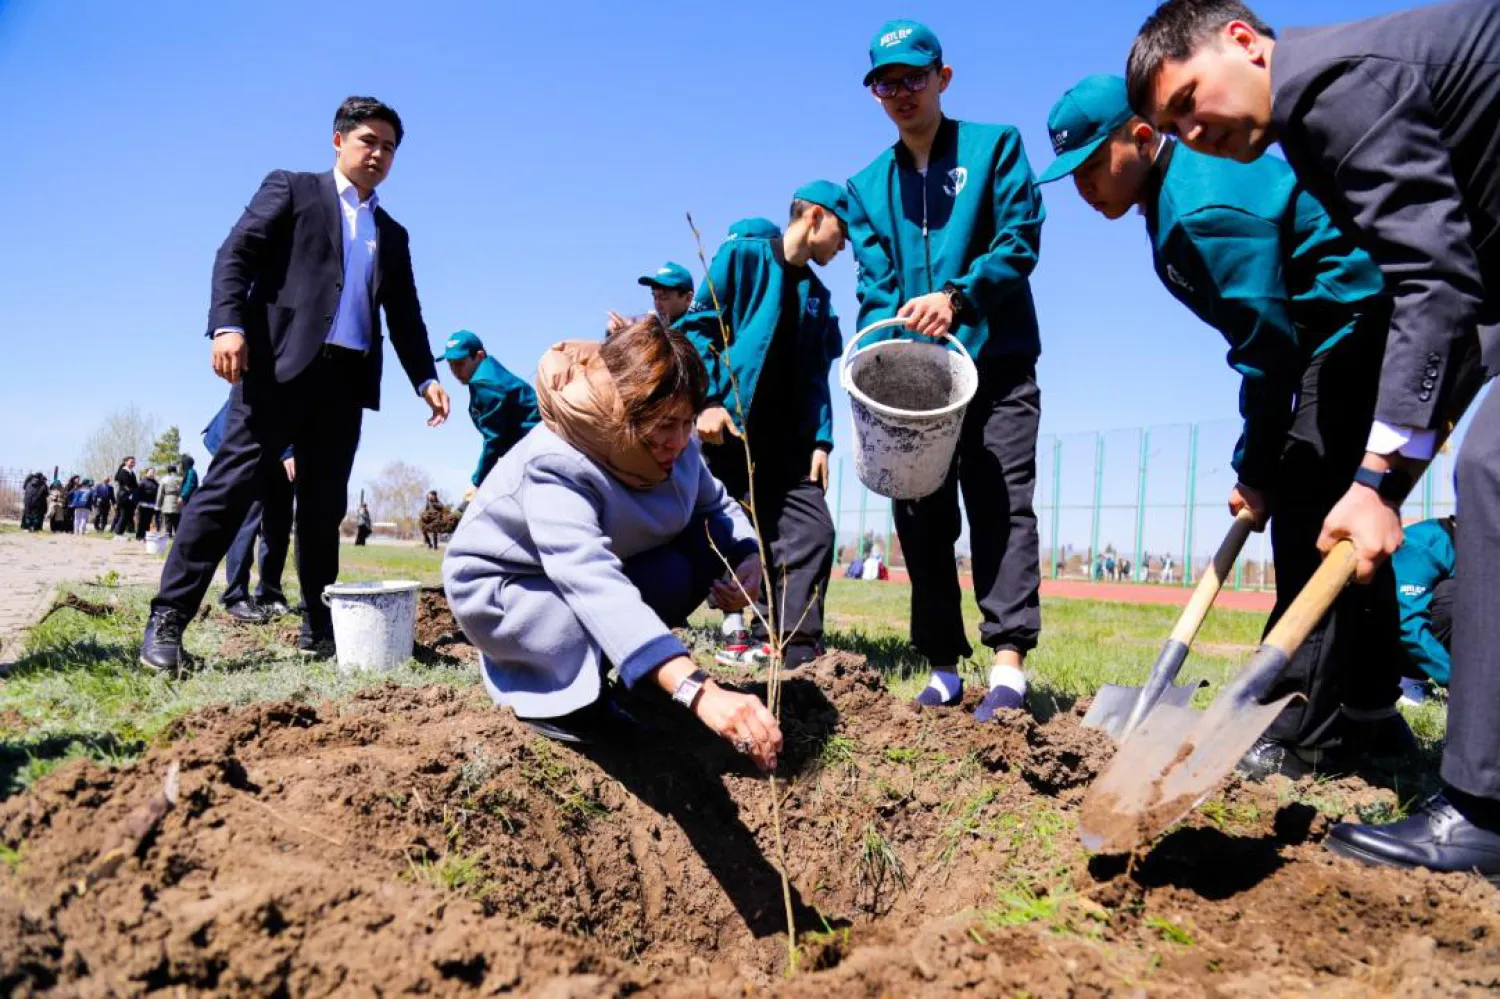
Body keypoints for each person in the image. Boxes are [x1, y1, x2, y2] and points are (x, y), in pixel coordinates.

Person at [1126, 0, 1500, 876]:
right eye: (1174, 121)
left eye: (1189, 98)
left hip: (1400, 321)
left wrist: (1372, 477)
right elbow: (1465, 291)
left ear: (1245, 43)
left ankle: (1481, 811)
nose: (1193, 131)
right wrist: (1397, 465)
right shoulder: (1304, 131)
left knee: (1490, 473)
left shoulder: (1328, 87)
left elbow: (1431, 280)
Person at [1039, 72, 1408, 777]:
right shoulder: (1171, 199)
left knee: (1313, 516)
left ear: (1142, 138)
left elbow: (1267, 353)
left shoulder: (1200, 210)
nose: (1085, 188)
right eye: (1072, 174)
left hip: (1354, 321)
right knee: (1343, 515)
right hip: (1329, 332)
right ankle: (1371, 714)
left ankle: (1295, 735)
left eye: (1093, 164)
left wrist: (1256, 467)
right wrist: (1260, 462)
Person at [139, 95, 451, 669]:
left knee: (322, 508)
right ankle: (167, 622)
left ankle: (319, 626)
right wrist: (227, 324)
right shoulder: (292, 189)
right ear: (339, 141)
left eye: (389, 147)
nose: (379, 154)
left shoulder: (392, 232)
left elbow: (404, 313)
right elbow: (234, 253)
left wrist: (425, 377)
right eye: (368, 142)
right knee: (229, 489)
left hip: (345, 383)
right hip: (277, 372)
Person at [443, 318, 782, 770]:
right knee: (587, 632)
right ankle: (561, 697)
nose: (679, 441)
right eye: (664, 424)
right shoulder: (560, 458)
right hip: (511, 589)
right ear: (625, 409)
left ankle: (635, 671)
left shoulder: (680, 450)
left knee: (701, 547)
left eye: (687, 421)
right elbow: (590, 578)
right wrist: (697, 690)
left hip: (587, 573)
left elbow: (719, 508)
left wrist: (747, 558)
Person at [846, 19, 1047, 720]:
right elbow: (872, 279)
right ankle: (941, 664)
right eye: (886, 82)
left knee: (1000, 501)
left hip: (996, 362)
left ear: (944, 78)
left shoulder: (996, 148)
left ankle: (1008, 664)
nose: (901, 92)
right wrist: (892, 331)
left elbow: (1020, 238)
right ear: (874, 94)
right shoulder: (866, 186)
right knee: (921, 512)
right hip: (917, 383)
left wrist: (959, 298)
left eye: (914, 77)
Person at [678, 181, 846, 671]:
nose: (844, 245)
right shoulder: (744, 259)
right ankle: (659, 626)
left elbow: (817, 374)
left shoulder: (818, 296)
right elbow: (697, 328)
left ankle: (797, 653)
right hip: (730, 433)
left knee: (813, 530)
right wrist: (706, 400)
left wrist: (821, 440)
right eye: (842, 231)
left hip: (790, 446)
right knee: (716, 535)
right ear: (815, 216)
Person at [201, 397, 295, 623]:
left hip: (277, 443)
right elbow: (276, 402)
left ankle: (269, 593)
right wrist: (289, 452)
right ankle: (235, 595)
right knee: (248, 520)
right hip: (253, 441)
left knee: (279, 522)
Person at [434, 330, 542, 488]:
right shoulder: (489, 371)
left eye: (460, 363)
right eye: (451, 365)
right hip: (529, 445)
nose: (455, 372)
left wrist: (477, 482)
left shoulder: (485, 383)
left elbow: (493, 439)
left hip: (534, 449)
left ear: (479, 356)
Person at [1391, 514, 1456, 699]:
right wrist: (1455, 678)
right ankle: (1408, 681)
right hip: (1387, 641)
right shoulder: (1423, 543)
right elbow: (1408, 623)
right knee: (1454, 594)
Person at [607, 262, 696, 335]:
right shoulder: (661, 328)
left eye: (664, 297)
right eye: (655, 297)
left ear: (688, 298)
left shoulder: (694, 331)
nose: (657, 304)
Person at [111, 456, 138, 538]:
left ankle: (122, 532)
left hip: (130, 496)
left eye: (134, 462)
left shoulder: (132, 472)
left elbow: (135, 485)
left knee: (128, 515)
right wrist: (132, 490)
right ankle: (118, 533)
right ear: (126, 462)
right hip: (124, 496)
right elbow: (127, 484)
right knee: (123, 515)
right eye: (131, 462)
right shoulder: (123, 471)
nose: (133, 463)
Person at [157, 465, 183, 537]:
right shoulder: (180, 479)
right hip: (178, 500)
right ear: (175, 470)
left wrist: (158, 505)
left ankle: (168, 536)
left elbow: (160, 493)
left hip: (167, 500)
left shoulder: (164, 479)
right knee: (177, 521)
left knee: (168, 521)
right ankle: (178, 537)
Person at [133, 469, 160, 541]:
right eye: (150, 472)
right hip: (143, 504)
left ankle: (145, 536)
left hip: (152, 505)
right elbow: (137, 493)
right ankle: (139, 536)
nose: (152, 473)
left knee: (148, 521)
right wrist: (136, 503)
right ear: (147, 473)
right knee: (141, 521)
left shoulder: (156, 483)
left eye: (153, 472)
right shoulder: (143, 481)